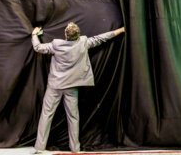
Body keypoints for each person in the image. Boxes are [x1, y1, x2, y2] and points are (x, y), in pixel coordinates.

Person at [31, 22, 125, 153]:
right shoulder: (83, 42)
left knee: (46, 115)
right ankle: (75, 148)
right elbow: (102, 38)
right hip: (72, 87)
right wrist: (120, 30)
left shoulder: (56, 45)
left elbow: (38, 47)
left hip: (55, 86)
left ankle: (39, 147)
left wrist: (34, 35)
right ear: (78, 35)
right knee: (73, 117)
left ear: (66, 34)